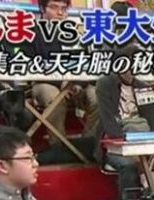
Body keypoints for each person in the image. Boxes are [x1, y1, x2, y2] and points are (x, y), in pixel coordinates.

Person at [95, 44, 154, 199]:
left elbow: (152, 123)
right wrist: (134, 152)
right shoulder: (105, 84)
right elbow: (109, 124)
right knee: (130, 166)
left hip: (144, 142)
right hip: (116, 145)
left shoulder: (143, 87)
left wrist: (151, 151)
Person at [24, 0, 99, 144]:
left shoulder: (75, 33)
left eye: (64, 9)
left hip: (77, 82)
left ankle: (87, 144)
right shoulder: (31, 33)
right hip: (45, 82)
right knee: (52, 97)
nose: (60, 13)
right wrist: (62, 81)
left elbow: (86, 63)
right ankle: (59, 147)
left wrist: (77, 83)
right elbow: (29, 66)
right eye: (54, 7)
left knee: (99, 97)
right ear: (42, 8)